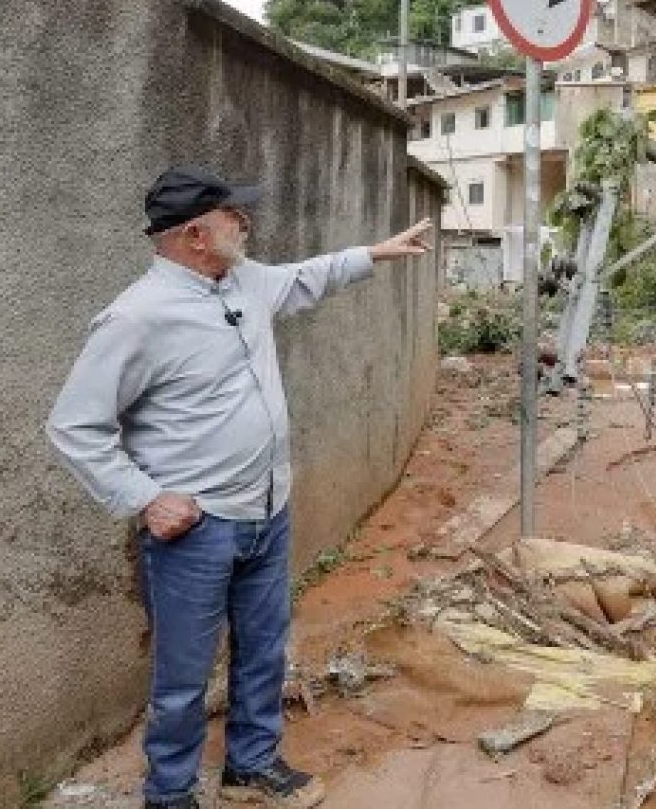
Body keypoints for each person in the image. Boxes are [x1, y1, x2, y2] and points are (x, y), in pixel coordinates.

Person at [46, 165, 432, 809]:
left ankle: (250, 763)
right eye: (234, 214)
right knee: (183, 677)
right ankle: (169, 793)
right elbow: (73, 426)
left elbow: (306, 278)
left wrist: (376, 253)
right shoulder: (137, 317)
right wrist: (146, 498)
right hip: (199, 529)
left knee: (263, 648)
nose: (246, 222)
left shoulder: (243, 281)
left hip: (267, 508)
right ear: (196, 233)